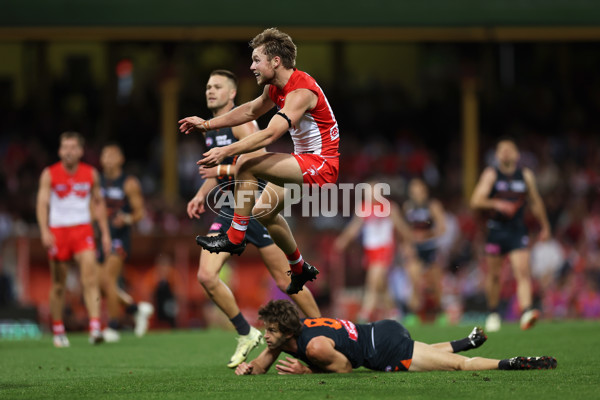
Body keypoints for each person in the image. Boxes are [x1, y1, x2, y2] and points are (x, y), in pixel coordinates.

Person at [179, 28, 340, 296]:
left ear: (275, 61)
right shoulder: (275, 88)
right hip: (303, 159)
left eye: (256, 60)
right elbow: (251, 110)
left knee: (245, 164)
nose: (252, 66)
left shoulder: (300, 91)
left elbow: (269, 133)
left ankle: (234, 238)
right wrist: (206, 124)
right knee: (263, 212)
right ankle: (299, 267)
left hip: (322, 165)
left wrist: (225, 150)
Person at [187, 69, 321, 368]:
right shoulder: (214, 130)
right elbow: (217, 170)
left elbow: (256, 162)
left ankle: (325, 327)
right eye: (208, 86)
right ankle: (246, 332)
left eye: (217, 86)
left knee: (285, 280)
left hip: (253, 206)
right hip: (229, 207)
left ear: (232, 93)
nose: (210, 91)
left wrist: (219, 172)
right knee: (207, 276)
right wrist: (201, 194)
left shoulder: (243, 123)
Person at [235, 300, 557, 375]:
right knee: (423, 351)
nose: (267, 335)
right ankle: (466, 341)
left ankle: (508, 363)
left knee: (458, 367)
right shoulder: (297, 328)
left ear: (288, 332)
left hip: (384, 350)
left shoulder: (315, 346)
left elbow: (346, 368)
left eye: (271, 330)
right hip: (382, 329)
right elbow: (266, 358)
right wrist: (248, 368)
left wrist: (307, 370)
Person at [36, 131, 111, 347]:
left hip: (82, 230)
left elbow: (98, 204)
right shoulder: (49, 174)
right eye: (65, 147)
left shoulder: (91, 174)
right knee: (59, 284)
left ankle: (95, 327)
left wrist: (105, 233)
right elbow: (42, 203)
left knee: (89, 278)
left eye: (72, 147)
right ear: (60, 151)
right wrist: (44, 231)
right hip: (58, 231)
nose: (68, 151)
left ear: (80, 151)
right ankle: (58, 329)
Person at [470, 137, 551, 332]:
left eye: (509, 149)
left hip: (517, 230)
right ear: (497, 155)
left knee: (521, 270)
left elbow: (535, 201)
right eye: (502, 149)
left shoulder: (525, 175)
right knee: (494, 275)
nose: (505, 152)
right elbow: (475, 200)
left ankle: (526, 311)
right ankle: (493, 312)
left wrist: (545, 226)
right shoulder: (491, 175)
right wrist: (497, 203)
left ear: (516, 154)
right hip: (496, 230)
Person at [98, 143, 154, 343]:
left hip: (119, 238)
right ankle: (135, 309)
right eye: (105, 155)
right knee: (98, 284)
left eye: (113, 155)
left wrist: (126, 218)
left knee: (107, 280)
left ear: (121, 159)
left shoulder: (128, 182)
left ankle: (113, 326)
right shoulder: (97, 181)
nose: (109, 159)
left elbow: (140, 212)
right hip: (100, 236)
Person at [334, 180, 409, 322]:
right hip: (370, 250)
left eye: (374, 191)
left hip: (385, 248)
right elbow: (354, 227)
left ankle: (365, 312)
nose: (371, 195)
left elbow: (401, 229)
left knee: (373, 279)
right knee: (382, 283)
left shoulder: (389, 207)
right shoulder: (363, 208)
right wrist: (343, 240)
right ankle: (394, 312)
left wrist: (407, 245)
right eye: (368, 192)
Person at [401, 178, 446, 321]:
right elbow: (405, 229)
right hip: (415, 249)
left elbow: (442, 227)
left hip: (430, 247)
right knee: (414, 279)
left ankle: (439, 312)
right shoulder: (408, 207)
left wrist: (427, 235)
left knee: (434, 284)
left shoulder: (432, 206)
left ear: (425, 191)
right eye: (414, 192)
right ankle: (414, 313)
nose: (417, 194)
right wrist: (407, 244)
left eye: (420, 191)